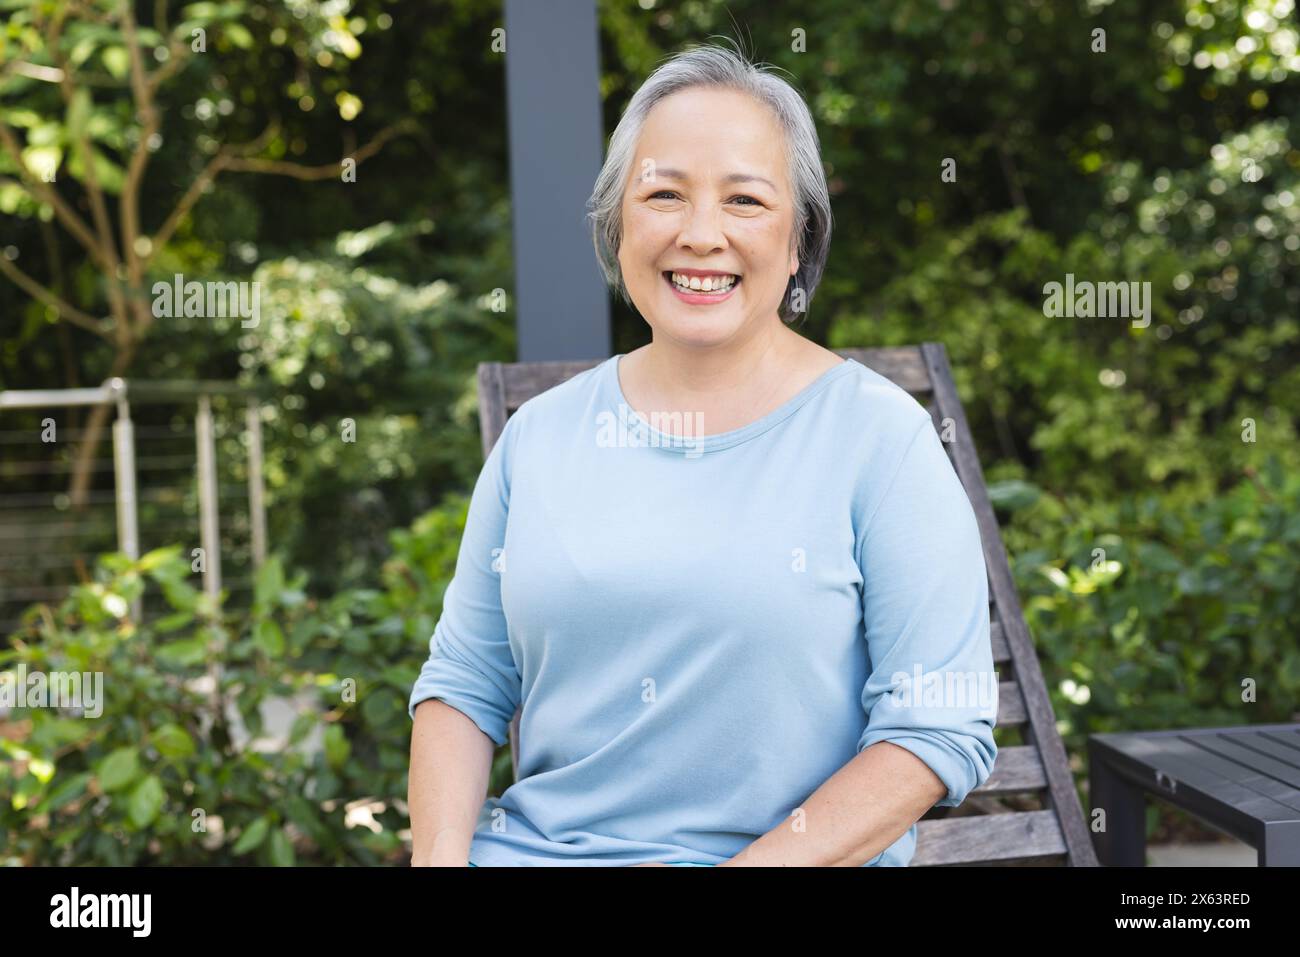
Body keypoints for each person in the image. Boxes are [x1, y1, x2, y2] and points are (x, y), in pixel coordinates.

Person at [407, 41, 997, 867]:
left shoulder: (881, 438)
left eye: (746, 201)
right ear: (618, 228)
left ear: (799, 241)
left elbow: (937, 725)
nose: (701, 233)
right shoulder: (537, 439)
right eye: (664, 194)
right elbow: (464, 690)